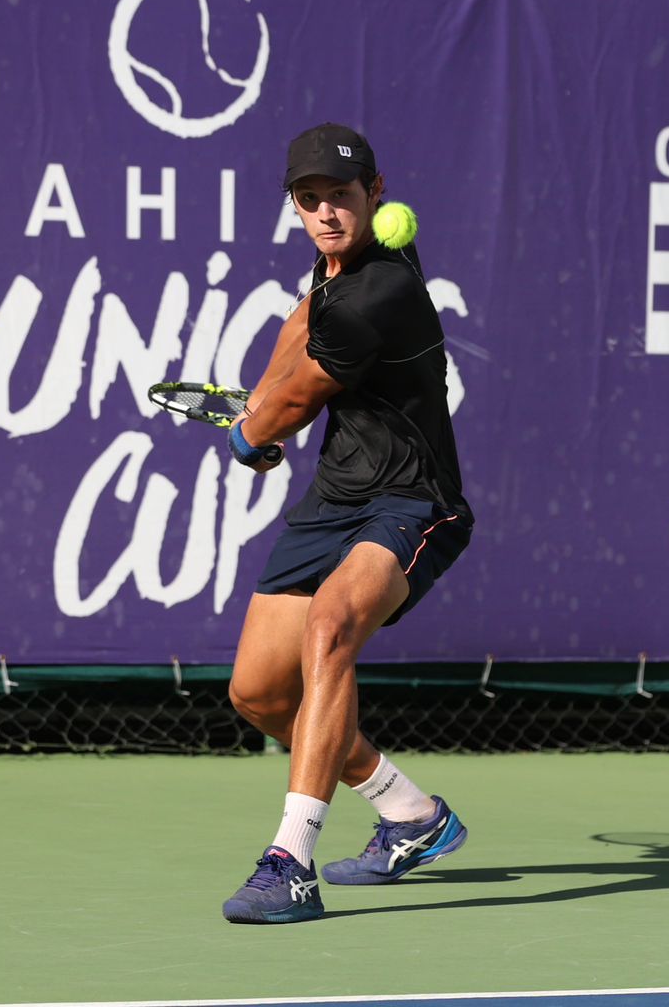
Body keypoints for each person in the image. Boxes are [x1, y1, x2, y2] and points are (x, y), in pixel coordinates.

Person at [219, 122, 475, 924]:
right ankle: (412, 815)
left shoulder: (382, 290)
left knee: (330, 626)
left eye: (342, 196)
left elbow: (300, 398)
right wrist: (258, 407)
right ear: (296, 208)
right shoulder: (335, 274)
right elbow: (300, 325)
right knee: (260, 695)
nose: (327, 212)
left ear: (376, 194)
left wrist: (250, 432)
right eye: (311, 200)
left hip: (412, 501)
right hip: (335, 499)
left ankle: (290, 862)